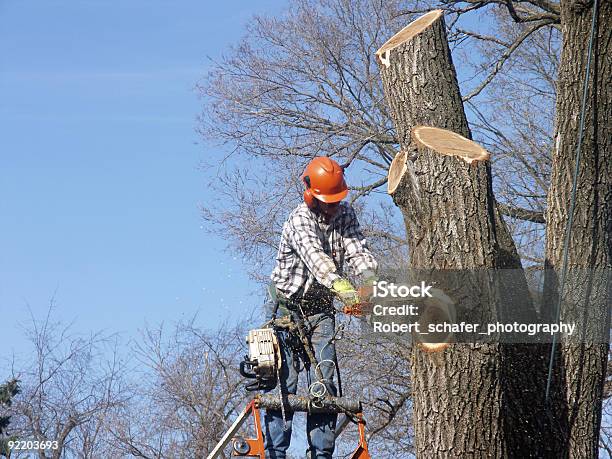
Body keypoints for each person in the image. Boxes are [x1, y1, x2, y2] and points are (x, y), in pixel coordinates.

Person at [265, 157, 378, 459]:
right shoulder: (299, 221)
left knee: (324, 383)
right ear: (310, 195)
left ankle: (322, 454)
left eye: (337, 201)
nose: (333, 207)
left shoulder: (345, 214)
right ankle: (275, 454)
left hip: (320, 311)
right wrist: (345, 290)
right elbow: (318, 261)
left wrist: (369, 280)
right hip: (286, 311)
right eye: (328, 202)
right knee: (283, 386)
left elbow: (357, 249)